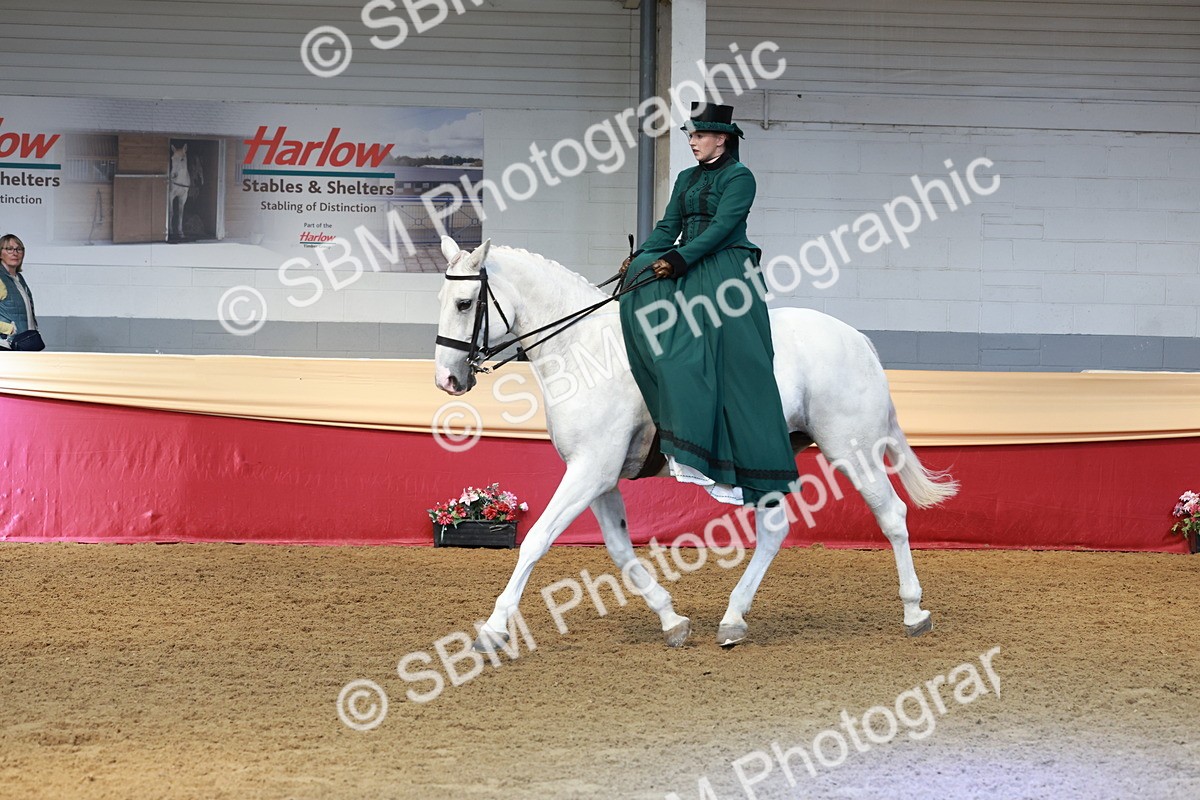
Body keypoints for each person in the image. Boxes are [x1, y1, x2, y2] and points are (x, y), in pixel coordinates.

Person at [618, 102, 797, 507]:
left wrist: (677, 259)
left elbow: (721, 229)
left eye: (699, 135)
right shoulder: (685, 178)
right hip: (688, 260)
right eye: (691, 135)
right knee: (640, 272)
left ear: (722, 138)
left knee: (714, 357)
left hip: (725, 265)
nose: (692, 142)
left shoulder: (740, 177)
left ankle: (722, 462)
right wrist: (644, 255)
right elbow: (669, 227)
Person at [0, 233, 45, 351]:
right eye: (9, 249)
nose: (15, 253)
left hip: (23, 344)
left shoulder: (19, 278)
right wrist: (9, 329)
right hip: (5, 346)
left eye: (19, 249)